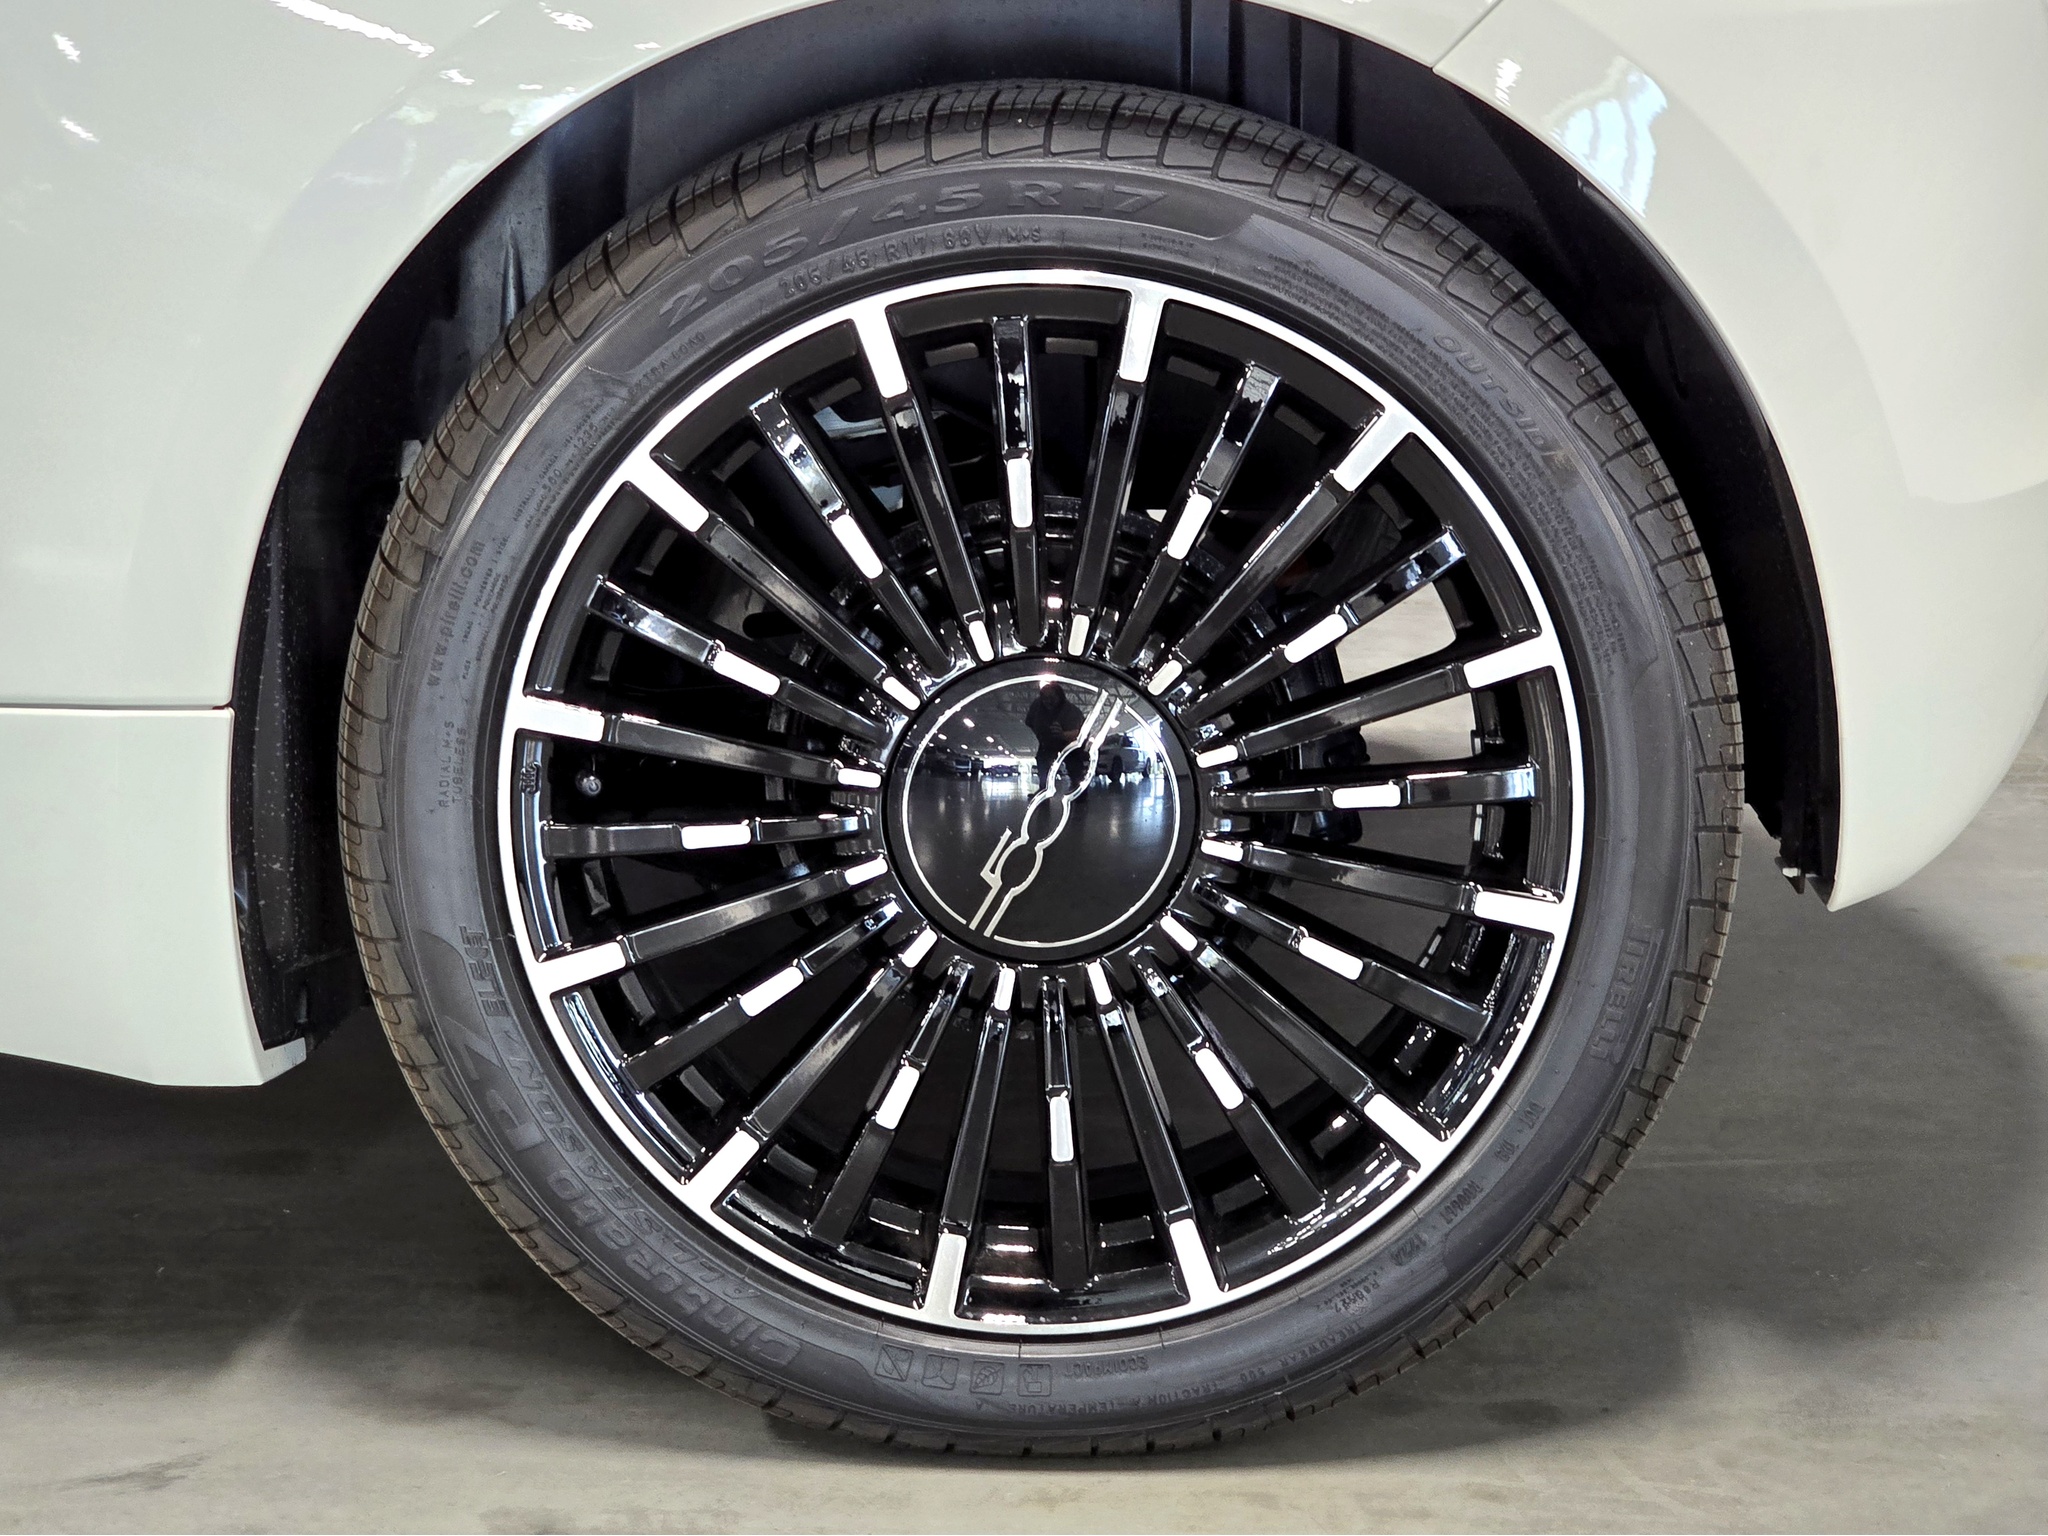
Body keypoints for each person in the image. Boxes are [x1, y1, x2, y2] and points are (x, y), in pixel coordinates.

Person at [1024, 680, 1083, 791]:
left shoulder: (1071, 711)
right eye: (1045, 698)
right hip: (1047, 741)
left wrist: (1062, 734)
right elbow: (1029, 722)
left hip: (1069, 743)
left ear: (1060, 697)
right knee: (1042, 762)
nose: (1048, 701)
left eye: (1052, 698)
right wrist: (1041, 734)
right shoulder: (1037, 707)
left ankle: (1078, 788)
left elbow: (1078, 733)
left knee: (1074, 763)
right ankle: (1043, 789)